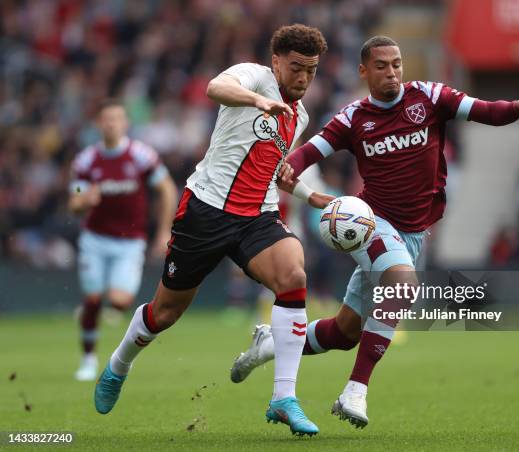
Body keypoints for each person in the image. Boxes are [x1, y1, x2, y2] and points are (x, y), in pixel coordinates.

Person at [230, 35, 519, 428]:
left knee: (345, 331)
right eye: (382, 65)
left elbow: (484, 110)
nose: (392, 72)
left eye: (397, 63)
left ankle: (271, 343)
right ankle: (356, 390)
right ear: (364, 71)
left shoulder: (429, 97)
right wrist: (290, 165)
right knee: (403, 283)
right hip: (371, 223)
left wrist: (518, 107)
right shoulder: (354, 118)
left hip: (414, 232)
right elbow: (311, 150)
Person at [94, 24, 332, 437]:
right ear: (276, 61)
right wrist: (259, 100)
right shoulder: (253, 76)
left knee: (294, 276)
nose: (303, 79)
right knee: (165, 313)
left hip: (258, 215)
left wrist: (309, 194)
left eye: (310, 71)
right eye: (296, 68)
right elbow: (214, 88)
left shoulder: (302, 115)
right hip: (206, 209)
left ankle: (283, 398)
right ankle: (119, 365)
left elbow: (272, 165)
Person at [69, 99, 177, 381]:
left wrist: (164, 230)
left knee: (119, 301)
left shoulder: (140, 156)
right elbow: (75, 200)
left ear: (125, 123)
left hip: (130, 241)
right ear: (98, 124)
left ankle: (100, 307)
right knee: (93, 298)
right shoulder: (86, 161)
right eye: (106, 119)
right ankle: (88, 359)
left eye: (116, 119)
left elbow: (166, 189)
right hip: (95, 238)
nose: (111, 124)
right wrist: (84, 201)